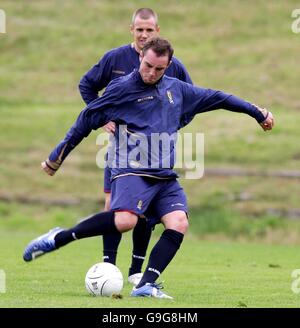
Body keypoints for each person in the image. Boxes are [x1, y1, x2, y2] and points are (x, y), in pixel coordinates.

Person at [23, 37, 274, 299]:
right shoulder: (121, 89)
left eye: (159, 69)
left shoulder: (177, 89)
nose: (151, 73)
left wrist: (258, 113)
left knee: (178, 222)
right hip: (131, 169)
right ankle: (59, 237)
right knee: (125, 220)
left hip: (163, 175)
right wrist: (56, 158)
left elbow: (218, 97)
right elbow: (85, 120)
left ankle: (146, 284)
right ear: (140, 57)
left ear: (168, 66)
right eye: (148, 65)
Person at [79, 8, 192, 285]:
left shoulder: (171, 64)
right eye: (139, 29)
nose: (144, 34)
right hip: (120, 150)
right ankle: (108, 266)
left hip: (154, 153)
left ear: (157, 30)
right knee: (115, 207)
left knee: (146, 210)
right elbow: (87, 85)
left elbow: (191, 100)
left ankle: (136, 271)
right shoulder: (115, 58)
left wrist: (171, 124)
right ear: (132, 30)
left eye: (149, 30)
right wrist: (103, 116)